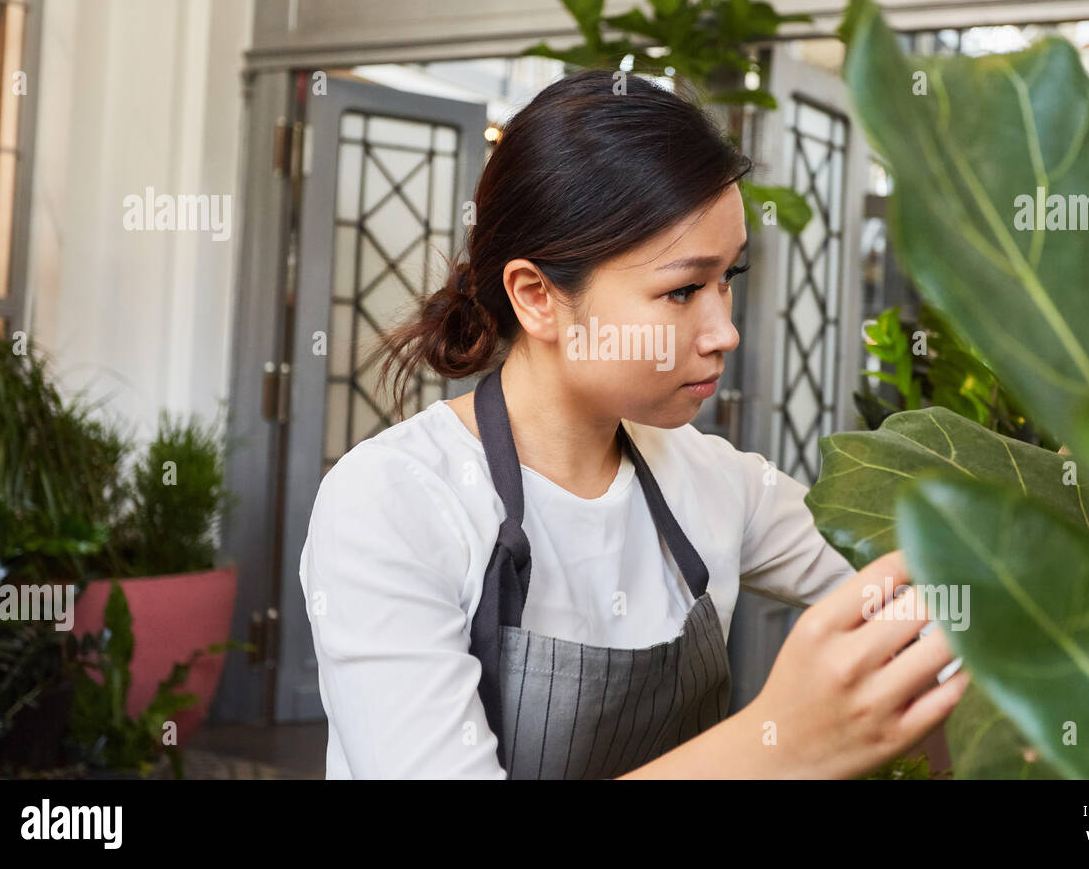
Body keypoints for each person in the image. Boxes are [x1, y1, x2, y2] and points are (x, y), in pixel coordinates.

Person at [298, 68, 969, 779]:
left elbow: (933, 591)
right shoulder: (393, 503)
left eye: (726, 281)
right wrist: (783, 743)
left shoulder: (715, 481)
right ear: (537, 297)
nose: (723, 333)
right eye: (682, 289)